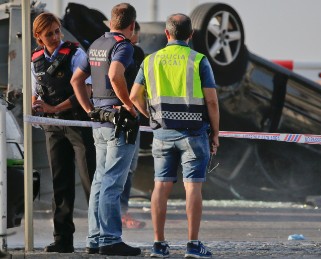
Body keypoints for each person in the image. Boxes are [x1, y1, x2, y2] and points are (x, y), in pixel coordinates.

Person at [130, 13, 219, 258]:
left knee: (160, 185)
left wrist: (151, 116)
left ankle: (159, 244)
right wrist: (216, 133)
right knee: (193, 188)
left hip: (162, 133)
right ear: (190, 35)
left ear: (166, 34)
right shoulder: (198, 60)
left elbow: (133, 95)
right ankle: (192, 245)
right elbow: (211, 100)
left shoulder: (150, 61)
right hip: (193, 133)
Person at [70, 3, 141, 256]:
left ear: (111, 22)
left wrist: (89, 108)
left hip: (99, 121)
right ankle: (111, 239)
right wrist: (129, 106)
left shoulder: (97, 44)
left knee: (100, 180)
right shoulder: (124, 45)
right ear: (132, 25)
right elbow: (115, 74)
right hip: (119, 122)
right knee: (112, 181)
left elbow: (76, 80)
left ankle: (95, 238)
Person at [31, 12, 96, 253]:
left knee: (90, 181)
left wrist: (54, 107)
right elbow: (35, 89)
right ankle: (62, 239)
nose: (56, 36)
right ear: (39, 37)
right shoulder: (35, 59)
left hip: (78, 124)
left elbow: (86, 89)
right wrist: (36, 104)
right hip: (53, 127)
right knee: (60, 184)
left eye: (57, 30)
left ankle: (98, 236)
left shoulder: (76, 53)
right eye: (50, 34)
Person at [120, 21, 146, 229]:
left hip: (114, 114)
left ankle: (120, 212)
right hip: (128, 115)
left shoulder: (106, 46)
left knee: (125, 167)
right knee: (126, 166)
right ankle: (120, 213)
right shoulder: (134, 52)